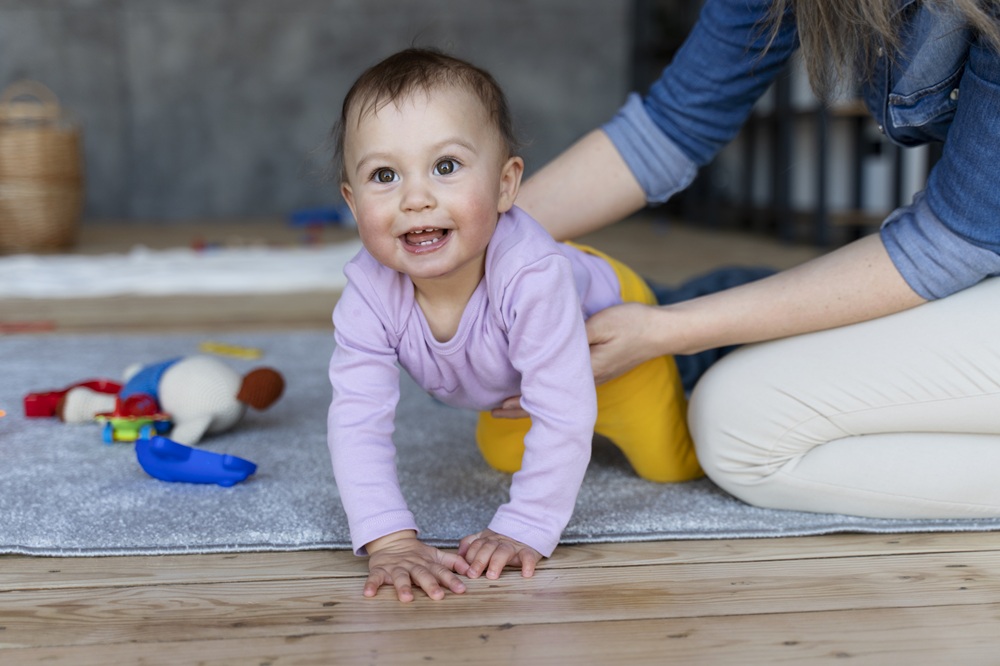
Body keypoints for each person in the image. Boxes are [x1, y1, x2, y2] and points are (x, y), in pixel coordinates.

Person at [501, 0, 1000, 521]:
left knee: (736, 424)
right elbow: (670, 126)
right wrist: (481, 242)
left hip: (970, 248)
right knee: (722, 305)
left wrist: (663, 331)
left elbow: (948, 243)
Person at [327, 48, 701, 603]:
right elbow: (357, 418)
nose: (415, 198)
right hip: (518, 383)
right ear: (354, 204)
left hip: (618, 335)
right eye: (385, 175)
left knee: (671, 464)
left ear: (506, 185)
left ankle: (702, 353)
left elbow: (562, 409)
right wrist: (389, 540)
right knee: (505, 456)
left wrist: (525, 526)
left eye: (445, 166)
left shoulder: (533, 276)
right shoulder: (367, 293)